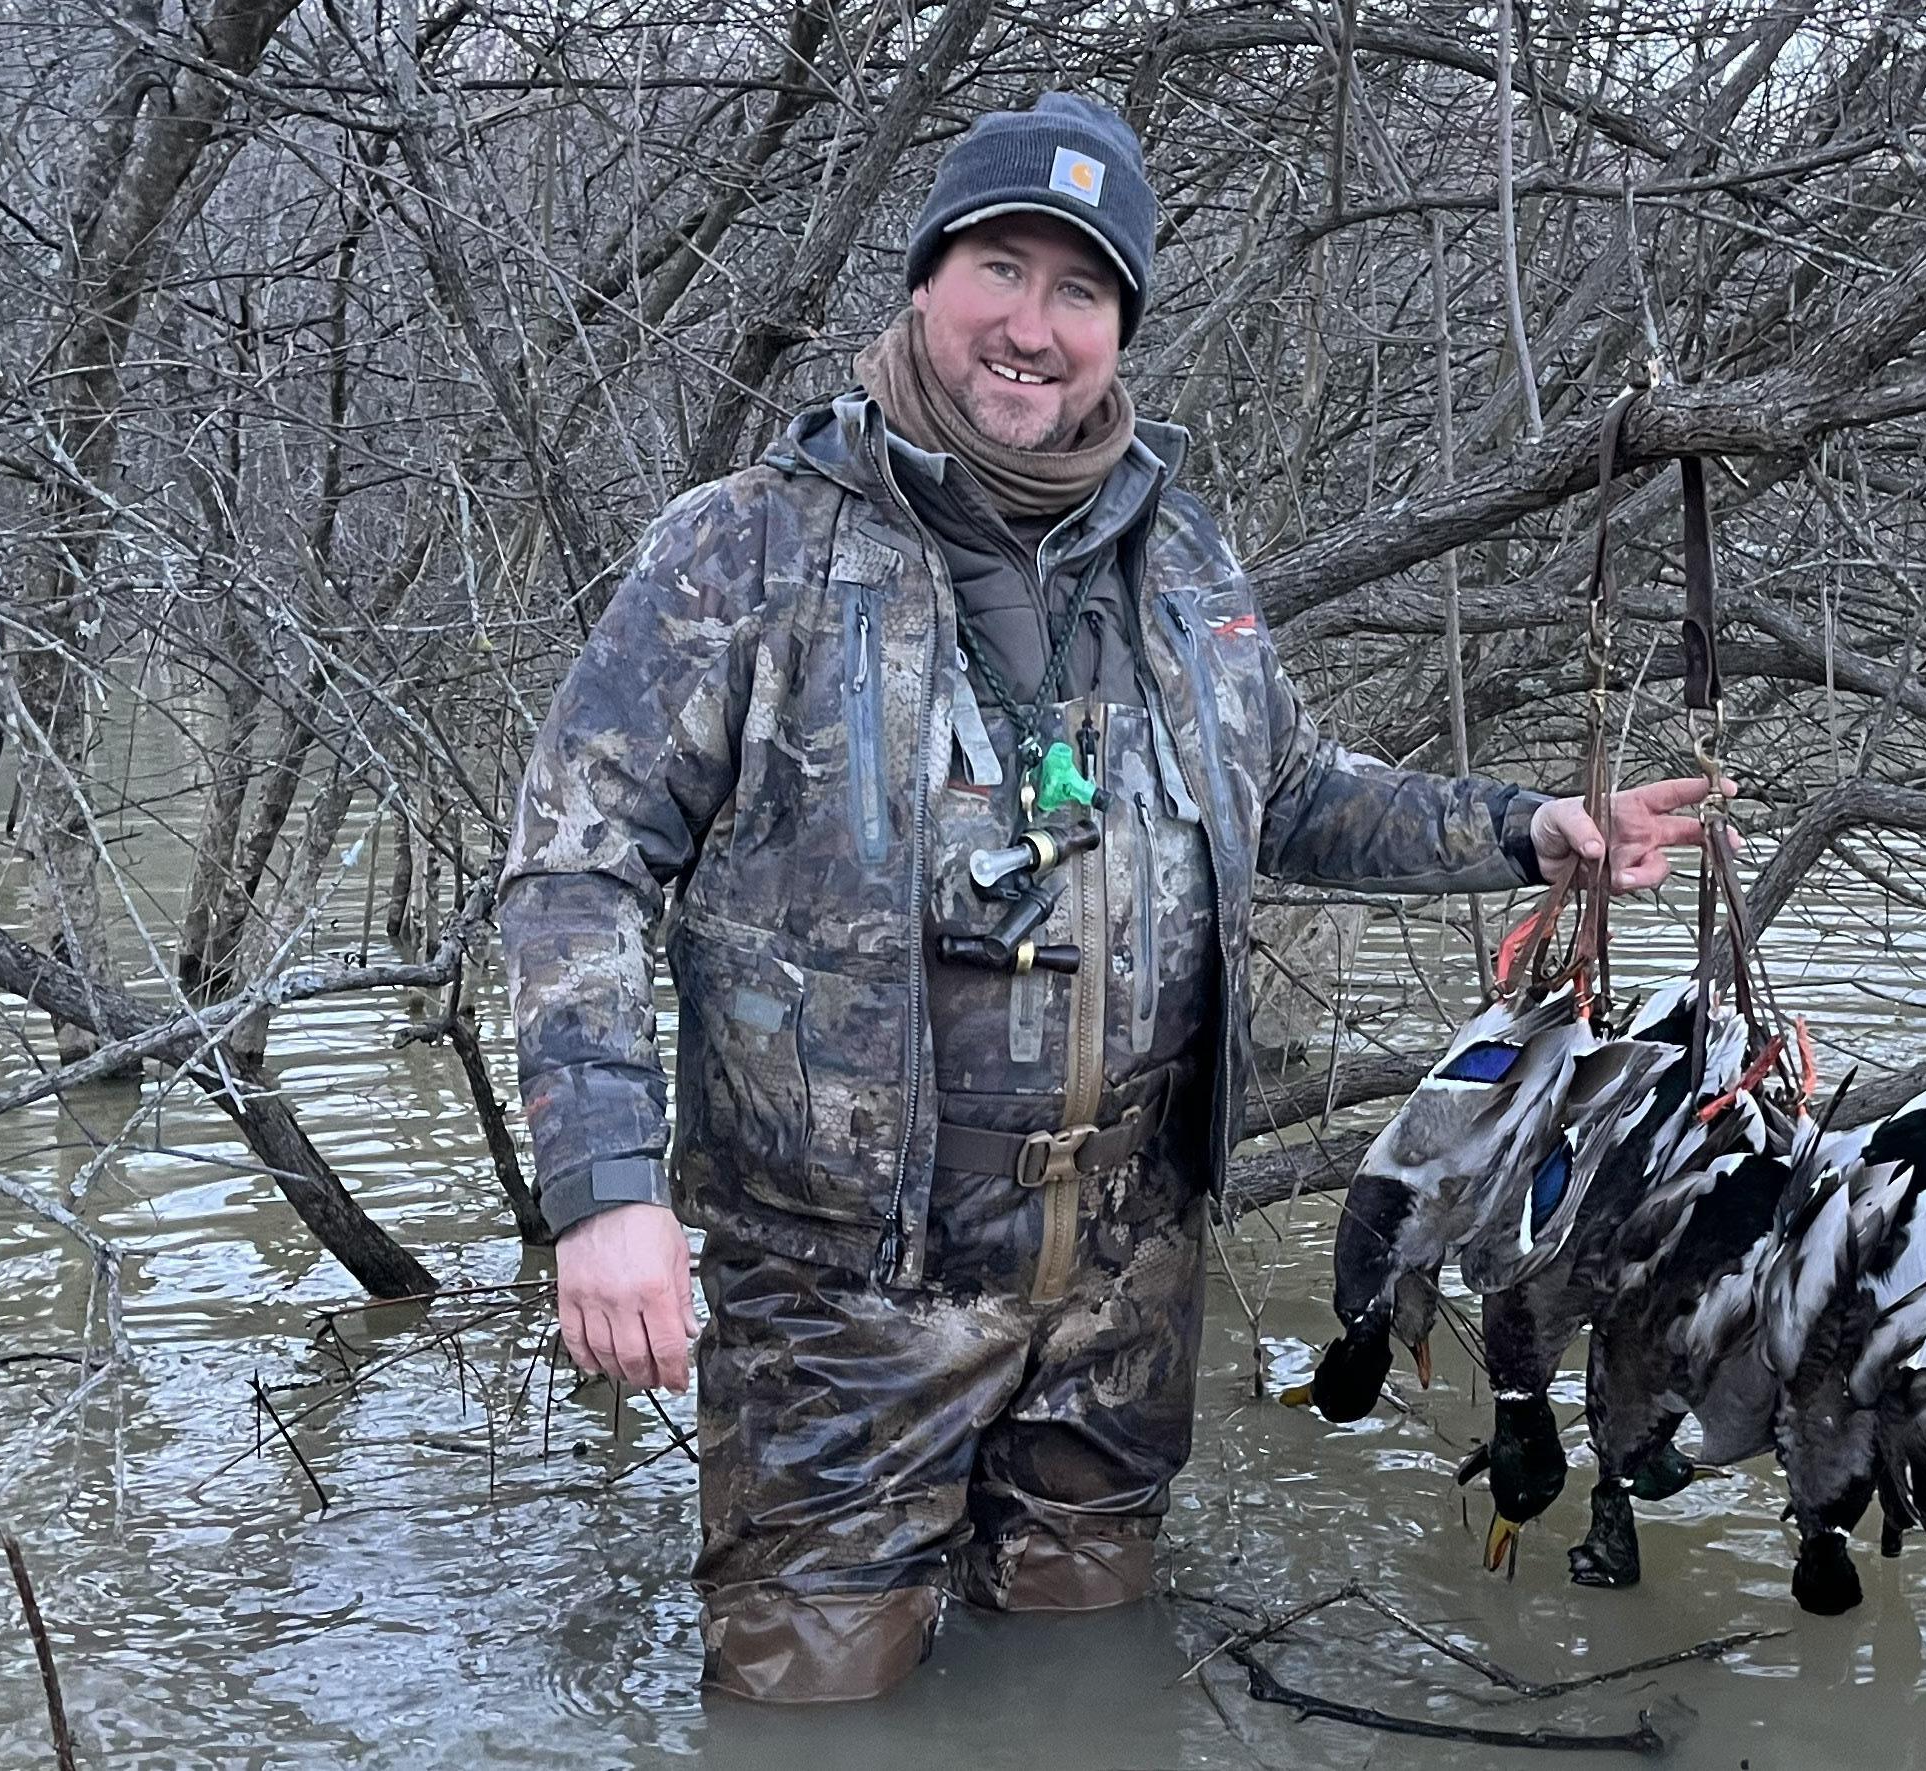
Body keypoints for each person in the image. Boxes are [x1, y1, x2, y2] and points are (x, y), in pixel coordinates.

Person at [498, 92, 1719, 1704]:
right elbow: (577, 868)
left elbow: (1293, 792)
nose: (1034, 325)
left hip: (1123, 1283)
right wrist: (604, 1192)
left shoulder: (1182, 559)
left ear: (1120, 329)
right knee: (812, 1709)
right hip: (843, 1298)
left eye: (1080, 290)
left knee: (1083, 1687)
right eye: (1001, 270)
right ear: (925, 281)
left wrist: (1532, 829)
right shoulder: (745, 552)